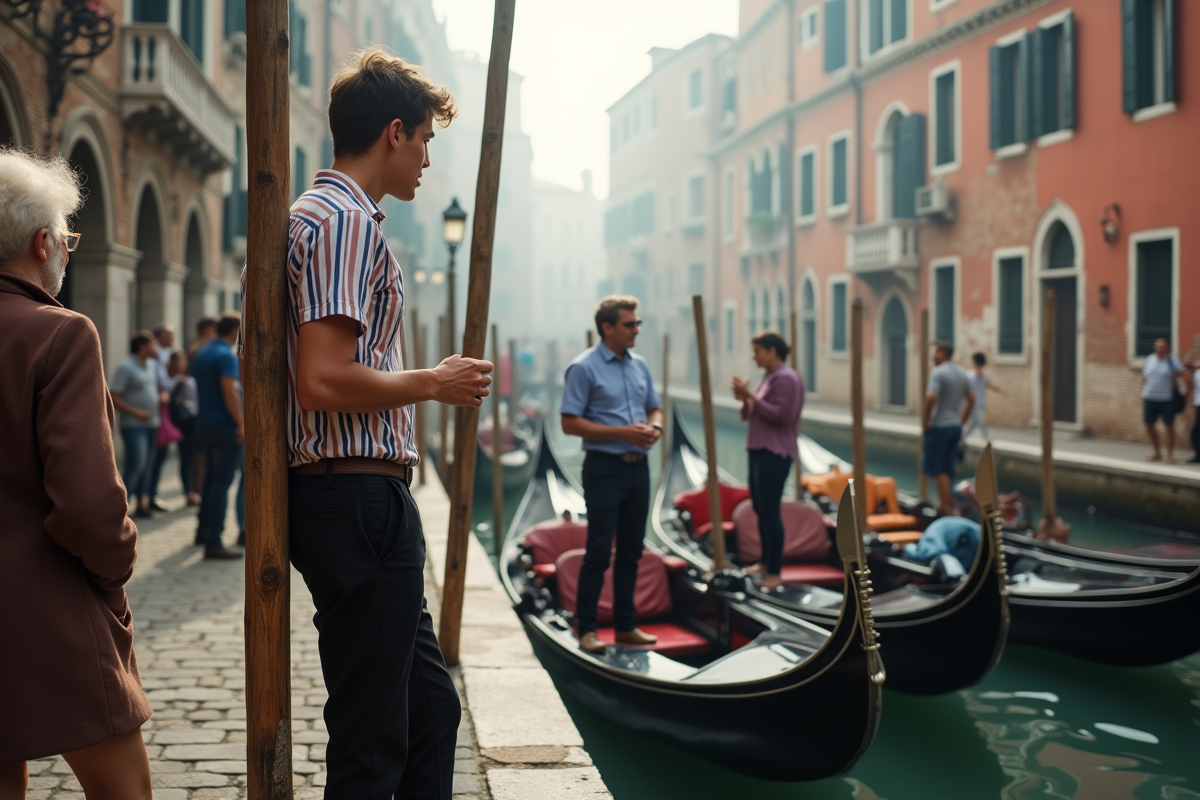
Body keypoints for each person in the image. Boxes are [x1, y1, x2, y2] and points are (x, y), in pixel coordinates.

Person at [250, 48, 488, 799]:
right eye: (424, 140)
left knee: (429, 710)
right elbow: (320, 379)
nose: (425, 160)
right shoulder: (345, 223)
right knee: (373, 739)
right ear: (393, 132)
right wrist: (434, 383)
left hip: (354, 496)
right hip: (353, 497)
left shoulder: (320, 218)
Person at [0, 147, 152, 798]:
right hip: (51, 610)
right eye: (68, 238)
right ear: (42, 244)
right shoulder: (60, 334)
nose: (69, 250)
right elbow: (89, 507)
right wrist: (114, 569)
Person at [561, 295, 664, 654]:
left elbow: (655, 407)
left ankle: (625, 627)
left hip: (640, 469)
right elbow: (569, 423)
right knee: (599, 553)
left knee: (633, 552)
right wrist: (622, 432)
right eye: (629, 324)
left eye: (637, 323)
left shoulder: (641, 365)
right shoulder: (583, 368)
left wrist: (655, 428)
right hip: (604, 470)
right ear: (608, 328)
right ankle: (586, 630)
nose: (637, 329)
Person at [731, 331, 804, 590]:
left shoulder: (785, 378)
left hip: (774, 452)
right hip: (759, 449)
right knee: (761, 509)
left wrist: (750, 396)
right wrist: (745, 398)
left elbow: (782, 416)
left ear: (772, 351)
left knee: (771, 512)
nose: (754, 356)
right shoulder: (770, 377)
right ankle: (764, 561)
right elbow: (754, 413)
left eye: (757, 351)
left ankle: (774, 572)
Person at [191, 312, 246, 559]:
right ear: (235, 330)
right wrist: (241, 423)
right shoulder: (225, 355)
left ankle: (203, 530)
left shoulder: (203, 352)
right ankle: (214, 539)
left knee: (211, 481)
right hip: (224, 426)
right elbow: (230, 391)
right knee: (221, 484)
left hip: (205, 424)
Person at [110, 330, 166, 518]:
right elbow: (113, 397)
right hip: (134, 425)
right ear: (142, 346)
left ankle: (141, 505)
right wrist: (136, 412)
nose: (155, 347)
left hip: (152, 423)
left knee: (147, 465)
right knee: (136, 465)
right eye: (152, 344)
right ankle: (119, 507)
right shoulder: (126, 367)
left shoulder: (151, 365)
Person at [923, 341, 975, 516]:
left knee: (939, 468)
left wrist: (925, 422)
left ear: (943, 353)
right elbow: (972, 399)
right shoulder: (962, 373)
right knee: (949, 466)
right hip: (955, 428)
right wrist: (961, 422)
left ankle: (946, 508)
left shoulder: (937, 373)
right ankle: (946, 504)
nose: (932, 356)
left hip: (940, 426)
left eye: (934, 352)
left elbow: (931, 398)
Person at [146, 323, 178, 511]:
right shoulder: (154, 357)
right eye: (169, 334)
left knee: (159, 457)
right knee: (151, 459)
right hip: (153, 413)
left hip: (164, 412)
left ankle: (151, 495)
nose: (172, 338)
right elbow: (163, 382)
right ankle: (145, 497)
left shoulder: (166, 354)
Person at [167, 349, 203, 506]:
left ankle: (196, 490)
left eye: (184, 360)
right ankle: (188, 491)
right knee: (186, 458)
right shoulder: (171, 380)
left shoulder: (191, 379)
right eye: (179, 361)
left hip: (195, 422)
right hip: (183, 423)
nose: (182, 364)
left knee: (197, 457)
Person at [1141, 338, 1186, 462]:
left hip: (1167, 400)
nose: (1161, 349)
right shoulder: (1149, 359)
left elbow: (1184, 376)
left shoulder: (1173, 361)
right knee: (1148, 425)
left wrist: (1185, 393)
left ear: (1167, 348)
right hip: (1149, 399)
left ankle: (1169, 455)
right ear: (1155, 348)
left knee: (1169, 426)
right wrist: (1143, 391)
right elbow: (1144, 377)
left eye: (1163, 347)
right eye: (1159, 347)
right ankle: (1156, 452)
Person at [962, 352, 1002, 443]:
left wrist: (997, 389)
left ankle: (963, 437)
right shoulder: (969, 375)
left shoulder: (984, 375)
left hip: (981, 403)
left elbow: (988, 384)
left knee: (976, 422)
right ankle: (986, 439)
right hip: (972, 403)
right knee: (977, 422)